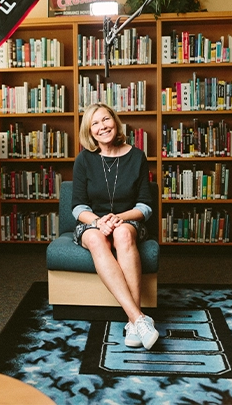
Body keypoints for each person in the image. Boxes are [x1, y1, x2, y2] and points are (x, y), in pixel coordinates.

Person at [71, 103, 159, 349]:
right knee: (98, 238)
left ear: (115, 122)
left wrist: (117, 218)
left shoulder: (137, 156)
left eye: (105, 119)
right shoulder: (84, 160)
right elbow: (78, 207)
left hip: (126, 220)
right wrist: (99, 222)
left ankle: (133, 322)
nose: (102, 127)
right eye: (95, 124)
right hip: (92, 223)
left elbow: (145, 206)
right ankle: (138, 318)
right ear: (89, 132)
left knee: (122, 234)